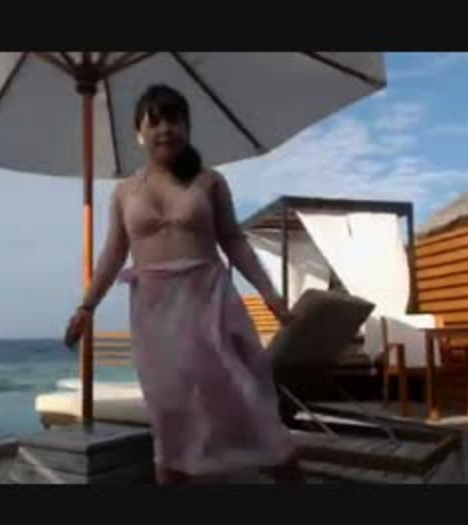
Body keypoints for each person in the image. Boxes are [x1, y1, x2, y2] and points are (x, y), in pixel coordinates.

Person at [64, 84, 304, 484]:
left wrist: (270, 294)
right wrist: (86, 307)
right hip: (155, 314)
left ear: (188, 127)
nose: (165, 130)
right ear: (139, 132)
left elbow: (234, 241)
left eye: (174, 120)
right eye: (154, 122)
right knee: (169, 410)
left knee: (243, 398)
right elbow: (112, 255)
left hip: (209, 302)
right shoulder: (124, 192)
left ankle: (286, 472)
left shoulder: (210, 181)